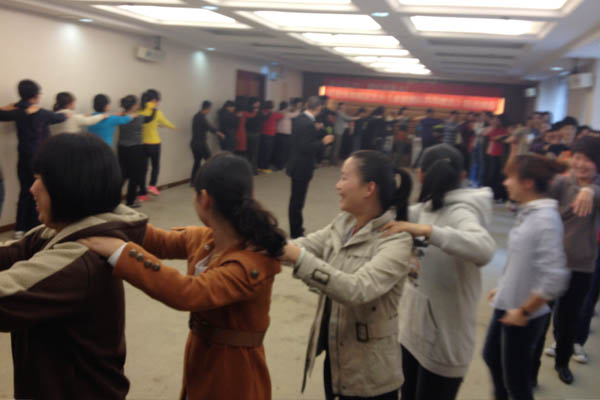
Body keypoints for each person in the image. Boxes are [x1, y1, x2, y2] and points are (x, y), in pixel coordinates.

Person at [78, 153, 286, 400]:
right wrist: (110, 206)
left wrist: (121, 253)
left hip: (234, 374)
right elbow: (159, 241)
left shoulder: (252, 262)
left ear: (204, 199)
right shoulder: (207, 239)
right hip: (204, 361)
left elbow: (188, 293)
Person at [0, 133, 148, 399]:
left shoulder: (80, 258)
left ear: (67, 186)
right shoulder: (57, 232)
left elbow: (6, 297)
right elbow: (11, 253)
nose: (32, 189)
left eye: (40, 179)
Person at [280, 150, 414, 400]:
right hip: (338, 361)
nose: (337, 185)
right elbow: (305, 245)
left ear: (369, 188)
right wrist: (263, 244)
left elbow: (357, 289)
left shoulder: (396, 240)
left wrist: (299, 259)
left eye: (344, 177)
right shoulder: (344, 223)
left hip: (371, 378)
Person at [382, 144, 495, 400]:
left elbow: (484, 248)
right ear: (463, 175)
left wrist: (428, 232)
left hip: (445, 342)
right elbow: (388, 219)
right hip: (412, 333)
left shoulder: (461, 211)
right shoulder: (425, 208)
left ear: (421, 173)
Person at [483, 154, 570, 400]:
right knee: (492, 357)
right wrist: (502, 287)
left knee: (517, 383)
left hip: (523, 313)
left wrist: (524, 311)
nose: (506, 182)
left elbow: (555, 276)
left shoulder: (546, 220)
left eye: (510, 177)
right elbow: (520, 259)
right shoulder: (530, 212)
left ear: (528, 182)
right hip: (508, 301)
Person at [536, 136, 600, 385]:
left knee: (569, 320)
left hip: (582, 265)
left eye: (588, 160)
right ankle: (531, 369)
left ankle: (562, 363)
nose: (581, 164)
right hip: (551, 262)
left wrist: (590, 190)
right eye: (577, 158)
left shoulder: (596, 188)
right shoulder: (562, 183)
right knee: (540, 318)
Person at [10, 79, 67, 238]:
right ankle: (35, 229)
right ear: (35, 95)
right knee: (40, 191)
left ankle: (20, 229)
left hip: (23, 157)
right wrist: (67, 112)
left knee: (25, 192)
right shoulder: (40, 112)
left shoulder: (18, 110)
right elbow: (60, 117)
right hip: (39, 159)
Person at [287, 96, 334, 238]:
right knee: (297, 201)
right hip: (302, 165)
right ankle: (296, 232)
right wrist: (324, 142)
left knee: (296, 199)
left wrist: (317, 129)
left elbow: (303, 138)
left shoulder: (301, 119)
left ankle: (297, 228)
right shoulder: (307, 123)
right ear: (319, 107)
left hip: (297, 163)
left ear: (307, 105)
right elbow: (305, 146)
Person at [118, 95, 156, 208]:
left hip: (121, 148)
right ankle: (130, 201)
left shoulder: (121, 116)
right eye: (137, 103)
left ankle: (113, 199)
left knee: (123, 174)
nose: (139, 105)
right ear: (133, 106)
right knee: (134, 175)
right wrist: (153, 107)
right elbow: (150, 118)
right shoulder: (138, 117)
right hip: (135, 149)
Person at [140, 89, 176, 196]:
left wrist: (156, 124)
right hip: (154, 144)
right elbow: (167, 123)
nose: (158, 103)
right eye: (157, 101)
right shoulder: (157, 113)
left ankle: (142, 193)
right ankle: (152, 186)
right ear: (154, 100)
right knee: (155, 166)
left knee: (143, 169)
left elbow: (143, 124)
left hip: (143, 144)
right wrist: (174, 127)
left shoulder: (139, 111)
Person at [191, 100, 224, 182]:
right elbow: (209, 127)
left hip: (194, 143)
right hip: (201, 143)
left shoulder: (196, 116)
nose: (210, 111)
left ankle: (193, 181)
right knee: (210, 161)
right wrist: (219, 133)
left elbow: (207, 127)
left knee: (197, 162)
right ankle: (213, 180)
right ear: (208, 108)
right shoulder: (202, 118)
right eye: (210, 109)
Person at [484, 114, 510, 203]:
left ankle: (497, 195)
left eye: (497, 120)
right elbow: (492, 137)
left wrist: (502, 136)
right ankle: (491, 193)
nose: (495, 121)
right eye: (494, 119)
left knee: (498, 175)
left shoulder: (504, 129)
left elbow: (504, 137)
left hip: (501, 155)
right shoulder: (493, 129)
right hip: (492, 154)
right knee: (491, 174)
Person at [273, 98, 301, 170]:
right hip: (285, 134)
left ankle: (277, 164)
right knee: (284, 151)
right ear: (286, 106)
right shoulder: (286, 113)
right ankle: (281, 165)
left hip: (278, 133)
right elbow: (296, 114)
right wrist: (298, 108)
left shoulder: (277, 112)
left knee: (278, 150)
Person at [258, 100, 284, 173]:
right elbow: (282, 116)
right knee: (268, 152)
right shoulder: (273, 113)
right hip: (270, 134)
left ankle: (259, 166)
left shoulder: (262, 112)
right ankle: (265, 167)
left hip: (262, 133)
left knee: (261, 151)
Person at [245, 98, 264, 174]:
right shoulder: (254, 111)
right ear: (253, 103)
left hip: (250, 133)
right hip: (253, 133)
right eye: (257, 102)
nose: (259, 104)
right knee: (253, 153)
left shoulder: (247, 110)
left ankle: (251, 169)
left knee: (249, 152)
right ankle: (252, 170)